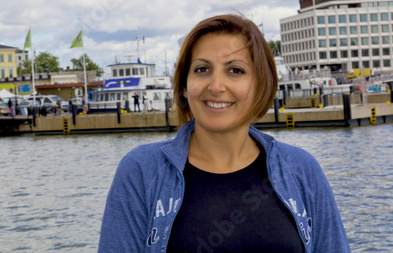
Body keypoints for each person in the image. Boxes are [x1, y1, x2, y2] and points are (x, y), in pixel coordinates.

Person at [98, 14, 350, 252]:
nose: (216, 86)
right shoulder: (142, 171)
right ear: (185, 86)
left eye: (235, 70)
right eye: (202, 70)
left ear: (261, 85)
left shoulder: (301, 169)